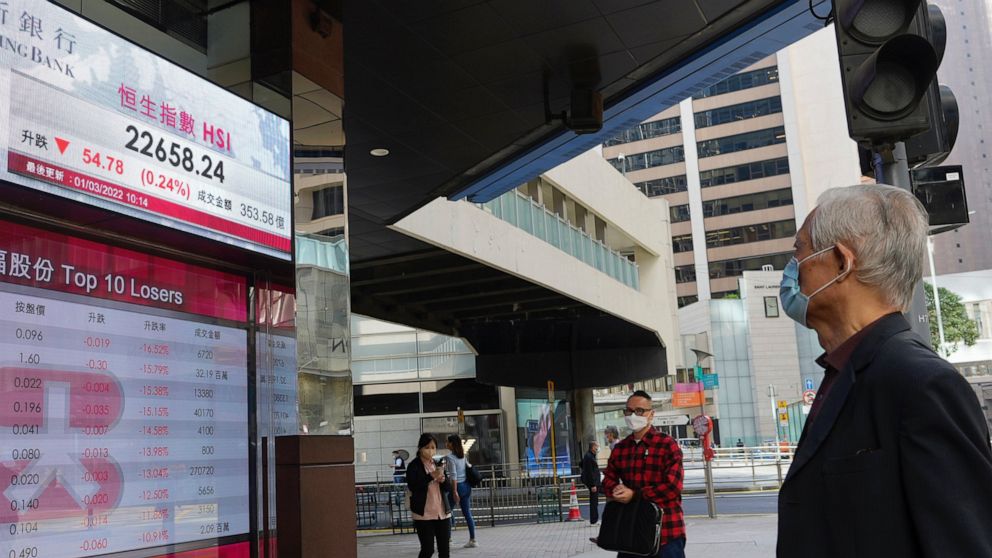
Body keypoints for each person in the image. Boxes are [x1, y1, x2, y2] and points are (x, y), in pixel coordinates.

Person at [776, 185, 992, 558]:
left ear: (842, 262)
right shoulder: (843, 370)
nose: (792, 267)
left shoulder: (922, 383)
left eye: (800, 250)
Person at [602, 390, 685, 558]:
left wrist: (635, 494)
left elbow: (673, 487)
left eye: (639, 411)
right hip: (630, 533)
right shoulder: (621, 448)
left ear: (651, 414)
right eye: (629, 411)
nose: (633, 415)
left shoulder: (667, 444)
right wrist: (616, 490)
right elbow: (608, 478)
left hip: (666, 533)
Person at [406, 434, 451, 558]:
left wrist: (443, 480)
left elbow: (448, 488)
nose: (430, 450)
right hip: (424, 514)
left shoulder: (437, 463)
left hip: (442, 512)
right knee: (428, 550)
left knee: (444, 550)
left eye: (433, 447)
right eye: (427, 447)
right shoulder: (414, 465)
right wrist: (431, 476)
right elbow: (413, 486)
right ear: (420, 448)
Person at [444, 434, 478, 548]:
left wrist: (454, 491)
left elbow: (453, 475)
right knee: (467, 513)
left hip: (457, 486)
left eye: (447, 442)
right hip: (467, 486)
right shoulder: (462, 455)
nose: (446, 444)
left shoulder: (450, 457)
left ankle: (448, 539)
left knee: (447, 512)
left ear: (452, 444)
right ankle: (473, 540)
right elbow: (469, 466)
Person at [580, 439, 601, 524]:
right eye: (597, 446)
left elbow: (581, 464)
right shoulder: (589, 457)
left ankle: (594, 519)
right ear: (593, 447)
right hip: (593, 483)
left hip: (595, 482)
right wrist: (592, 485)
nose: (598, 448)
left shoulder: (590, 455)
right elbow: (589, 472)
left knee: (595, 501)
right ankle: (594, 520)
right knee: (594, 502)